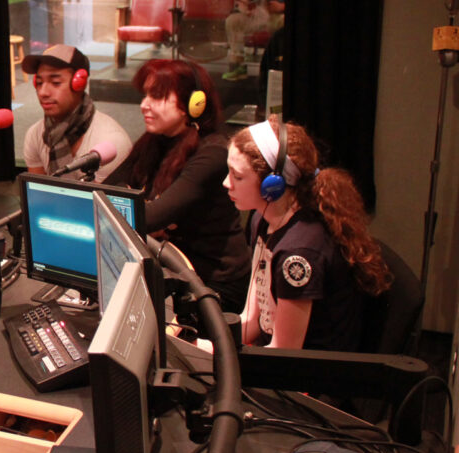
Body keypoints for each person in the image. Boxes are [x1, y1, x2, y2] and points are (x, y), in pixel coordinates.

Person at [223, 116, 392, 351]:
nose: (226, 182)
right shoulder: (262, 219)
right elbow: (253, 320)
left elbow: (285, 352)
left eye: (237, 176)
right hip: (268, 356)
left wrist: (217, 357)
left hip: (306, 380)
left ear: (272, 185)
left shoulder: (299, 252)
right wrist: (205, 345)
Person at [104, 60, 250, 312]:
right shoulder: (153, 141)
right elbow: (107, 193)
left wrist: (150, 216)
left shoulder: (213, 152)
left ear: (193, 103)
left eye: (157, 95)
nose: (144, 105)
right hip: (172, 271)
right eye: (145, 94)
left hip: (213, 286)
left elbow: (148, 217)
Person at [21, 45, 133, 182]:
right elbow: (38, 194)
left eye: (55, 83)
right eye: (39, 83)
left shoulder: (111, 143)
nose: (43, 92)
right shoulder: (35, 135)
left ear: (79, 82)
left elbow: (101, 202)